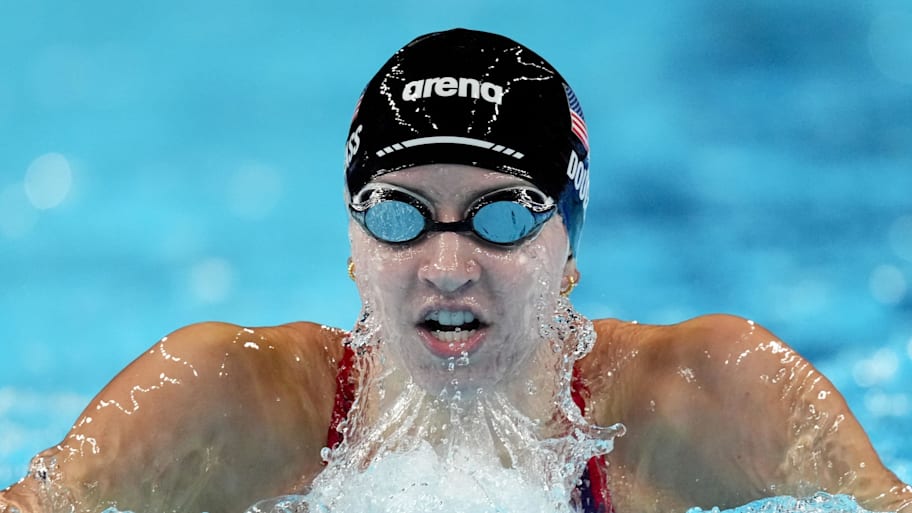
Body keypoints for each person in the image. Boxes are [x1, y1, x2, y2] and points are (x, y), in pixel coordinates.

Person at [2, 28, 910, 513]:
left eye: (502, 214)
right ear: (354, 246)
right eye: (399, 212)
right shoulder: (224, 400)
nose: (445, 265)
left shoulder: (708, 399)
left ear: (568, 247)